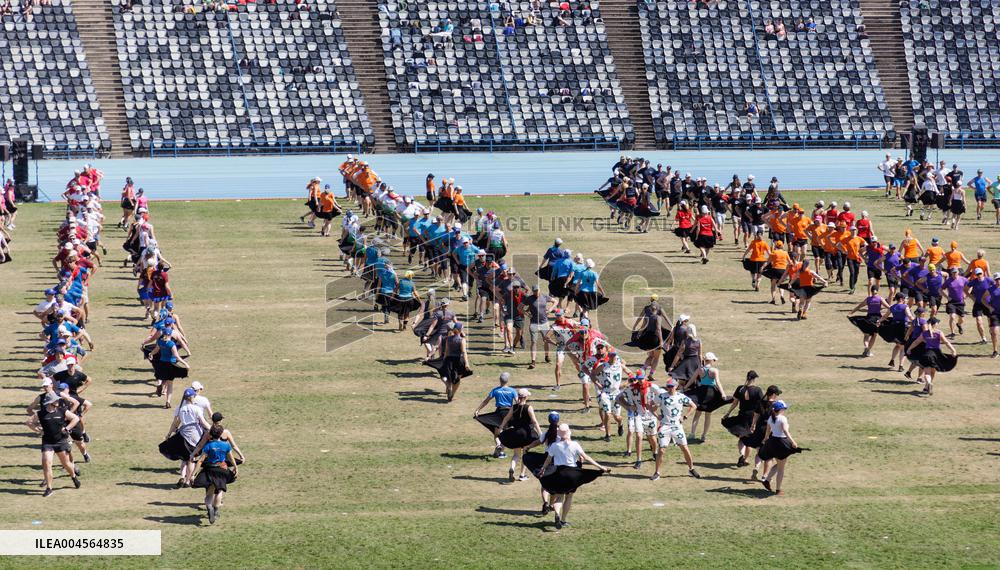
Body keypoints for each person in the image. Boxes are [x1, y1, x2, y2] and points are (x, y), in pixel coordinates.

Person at [530, 423, 610, 529]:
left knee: (559, 496)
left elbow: (548, 460)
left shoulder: (554, 445)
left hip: (559, 473)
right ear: (568, 433)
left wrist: (543, 469)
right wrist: (601, 467)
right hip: (572, 474)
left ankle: (557, 514)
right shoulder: (575, 444)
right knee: (569, 496)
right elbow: (586, 458)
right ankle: (562, 520)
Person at [26, 391, 82, 497]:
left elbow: (75, 418)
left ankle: (74, 477)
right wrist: (38, 430)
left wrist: (67, 428)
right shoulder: (41, 413)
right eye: (56, 400)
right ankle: (49, 488)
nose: (58, 401)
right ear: (50, 402)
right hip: (47, 442)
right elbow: (29, 422)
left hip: (60, 442)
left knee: (66, 464)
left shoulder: (62, 411)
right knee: (47, 464)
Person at [651, 376, 700, 481]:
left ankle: (691, 469)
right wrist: (656, 415)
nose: (669, 388)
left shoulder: (681, 397)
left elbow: (693, 406)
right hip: (664, 426)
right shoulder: (661, 396)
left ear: (676, 386)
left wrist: (685, 416)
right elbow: (650, 405)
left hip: (677, 427)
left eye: (671, 386)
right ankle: (657, 472)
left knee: (685, 448)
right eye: (668, 386)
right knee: (662, 450)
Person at [159, 388, 211, 488]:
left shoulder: (180, 408)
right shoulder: (196, 409)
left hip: (183, 435)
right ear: (192, 397)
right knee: (191, 459)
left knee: (183, 458)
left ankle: (182, 476)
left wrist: (169, 434)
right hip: (194, 436)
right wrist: (213, 429)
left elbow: (176, 423)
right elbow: (203, 422)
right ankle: (187, 481)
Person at [190, 424, 238, 524]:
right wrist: (235, 466)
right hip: (222, 471)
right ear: (221, 434)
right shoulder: (226, 445)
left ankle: (209, 508)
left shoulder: (208, 446)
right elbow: (230, 458)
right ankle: (216, 511)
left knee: (209, 494)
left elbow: (200, 461)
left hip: (209, 470)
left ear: (211, 434)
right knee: (219, 491)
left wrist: (193, 474)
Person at [615, 370, 659, 470]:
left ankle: (655, 452)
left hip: (650, 415)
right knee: (639, 435)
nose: (640, 381)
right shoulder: (631, 389)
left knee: (652, 437)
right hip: (638, 414)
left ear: (645, 377)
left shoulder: (652, 387)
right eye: (638, 379)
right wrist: (628, 406)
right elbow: (618, 398)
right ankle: (638, 460)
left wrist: (656, 405)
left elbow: (662, 396)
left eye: (641, 379)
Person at [498, 389, 544, 482]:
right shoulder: (529, 407)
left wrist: (501, 427)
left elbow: (506, 418)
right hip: (526, 434)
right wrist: (540, 434)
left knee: (516, 455)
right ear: (526, 397)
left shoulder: (513, 407)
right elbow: (534, 421)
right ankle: (522, 475)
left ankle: (512, 468)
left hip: (515, 433)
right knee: (525, 454)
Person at [682, 352, 728, 441]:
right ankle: (704, 435)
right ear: (711, 360)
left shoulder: (700, 369)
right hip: (711, 392)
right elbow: (718, 382)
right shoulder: (714, 370)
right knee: (708, 414)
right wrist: (722, 393)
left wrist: (685, 388)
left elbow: (692, 379)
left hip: (701, 391)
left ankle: (692, 433)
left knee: (697, 413)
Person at [721, 371, 763, 466]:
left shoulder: (740, 389)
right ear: (754, 379)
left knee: (742, 438)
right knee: (749, 440)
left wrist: (728, 413)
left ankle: (742, 455)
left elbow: (735, 403)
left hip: (742, 416)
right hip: (752, 417)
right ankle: (744, 459)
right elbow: (761, 405)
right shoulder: (757, 390)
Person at [906, 317, 958, 394]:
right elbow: (946, 342)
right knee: (933, 372)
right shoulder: (939, 332)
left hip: (927, 354)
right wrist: (953, 350)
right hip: (936, 355)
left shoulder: (924, 333)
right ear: (935, 324)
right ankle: (928, 385)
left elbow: (916, 342)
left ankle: (928, 385)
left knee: (927, 372)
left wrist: (909, 349)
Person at [758, 400, 799, 495]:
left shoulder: (770, 418)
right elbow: (785, 431)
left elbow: (768, 431)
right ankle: (778, 489)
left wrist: (765, 439)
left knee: (780, 464)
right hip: (781, 442)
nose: (785, 409)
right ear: (780, 409)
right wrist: (793, 441)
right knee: (781, 468)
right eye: (784, 408)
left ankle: (767, 480)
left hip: (773, 442)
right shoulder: (782, 418)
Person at [473, 372, 517, 458]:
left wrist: (478, 409)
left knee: (497, 433)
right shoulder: (512, 391)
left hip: (499, 413)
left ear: (500, 380)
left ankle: (498, 445)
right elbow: (518, 402)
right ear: (508, 381)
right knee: (505, 434)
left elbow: (486, 401)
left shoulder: (496, 390)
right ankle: (501, 452)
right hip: (508, 413)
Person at [848, 285, 891, 357]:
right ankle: (868, 350)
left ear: (871, 291)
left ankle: (866, 347)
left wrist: (851, 313)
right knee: (874, 335)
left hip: (869, 318)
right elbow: (889, 308)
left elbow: (859, 306)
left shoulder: (868, 299)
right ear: (877, 290)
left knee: (866, 334)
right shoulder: (880, 298)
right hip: (877, 319)